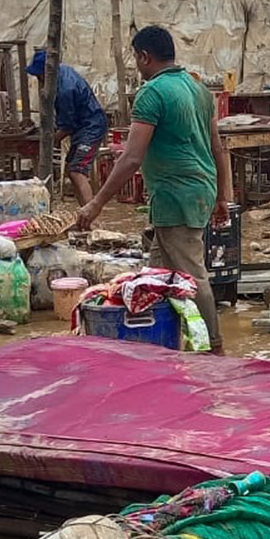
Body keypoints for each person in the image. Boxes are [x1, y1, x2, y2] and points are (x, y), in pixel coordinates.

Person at [76, 26, 233, 355]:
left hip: (177, 194)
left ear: (144, 56)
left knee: (192, 273)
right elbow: (219, 148)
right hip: (198, 190)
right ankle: (160, 344)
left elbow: (132, 157)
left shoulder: (152, 93)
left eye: (136, 58)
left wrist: (95, 205)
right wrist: (222, 196)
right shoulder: (197, 88)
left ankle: (214, 348)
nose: (137, 65)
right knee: (156, 273)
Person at [25, 51, 108, 206]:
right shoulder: (61, 71)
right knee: (71, 169)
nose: (38, 79)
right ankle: (84, 213)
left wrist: (49, 141)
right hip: (82, 126)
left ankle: (92, 217)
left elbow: (68, 126)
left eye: (39, 75)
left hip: (92, 126)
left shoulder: (65, 89)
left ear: (47, 72)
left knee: (78, 170)